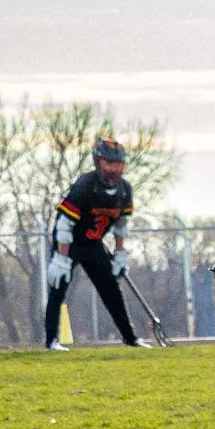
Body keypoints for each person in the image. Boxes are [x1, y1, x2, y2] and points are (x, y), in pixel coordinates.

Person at [44, 138, 149, 350]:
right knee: (59, 289)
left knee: (111, 289)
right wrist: (61, 258)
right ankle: (51, 340)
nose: (114, 169)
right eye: (109, 163)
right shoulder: (85, 185)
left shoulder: (124, 190)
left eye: (118, 164)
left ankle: (130, 338)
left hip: (94, 244)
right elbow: (65, 224)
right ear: (98, 162)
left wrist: (120, 253)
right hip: (70, 243)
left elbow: (120, 224)